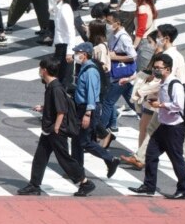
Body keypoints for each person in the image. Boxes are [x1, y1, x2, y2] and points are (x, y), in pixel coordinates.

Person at [17, 56, 96, 197]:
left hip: (56, 130)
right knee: (40, 158)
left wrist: (56, 128)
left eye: (40, 68)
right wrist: (43, 107)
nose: (39, 70)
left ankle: (85, 182)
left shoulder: (55, 88)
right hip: (49, 129)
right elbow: (56, 106)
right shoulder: (51, 86)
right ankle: (34, 185)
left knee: (64, 159)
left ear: (45, 71)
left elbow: (61, 110)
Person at [128, 54, 185, 199]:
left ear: (167, 69)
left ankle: (184, 189)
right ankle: (149, 186)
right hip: (163, 126)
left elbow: (178, 105)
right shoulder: (163, 82)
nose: (155, 70)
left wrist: (160, 105)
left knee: (176, 159)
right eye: (154, 67)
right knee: (150, 154)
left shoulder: (175, 84)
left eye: (158, 68)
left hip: (174, 128)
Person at [71, 42, 121, 177]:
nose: (76, 55)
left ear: (85, 54)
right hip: (81, 107)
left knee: (85, 141)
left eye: (78, 53)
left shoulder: (91, 71)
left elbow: (92, 93)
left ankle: (111, 159)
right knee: (76, 139)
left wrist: (88, 113)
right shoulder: (84, 68)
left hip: (88, 109)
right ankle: (76, 169)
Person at [99, 13, 137, 136]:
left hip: (121, 75)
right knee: (133, 101)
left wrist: (115, 56)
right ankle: (149, 117)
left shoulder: (124, 37)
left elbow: (133, 56)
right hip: (121, 75)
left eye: (110, 22)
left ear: (118, 23)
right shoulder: (114, 34)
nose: (108, 25)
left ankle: (100, 131)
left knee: (108, 102)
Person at [51, 0, 76, 89]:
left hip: (64, 48)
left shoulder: (65, 8)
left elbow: (71, 31)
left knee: (64, 79)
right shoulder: (59, 7)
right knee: (58, 77)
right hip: (60, 47)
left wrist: (70, 51)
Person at [130, 0, 157, 71]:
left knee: (141, 71)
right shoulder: (150, 5)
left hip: (144, 42)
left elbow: (141, 29)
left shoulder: (142, 9)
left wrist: (134, 46)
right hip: (150, 40)